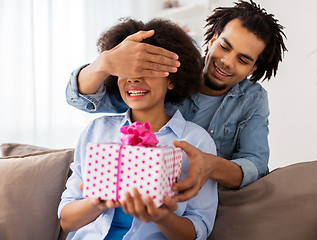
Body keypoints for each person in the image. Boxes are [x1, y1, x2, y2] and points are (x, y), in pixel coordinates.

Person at [65, 0, 287, 202]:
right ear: (212, 39)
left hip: (202, 202)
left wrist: (210, 166)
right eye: (225, 47)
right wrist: (104, 63)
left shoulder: (253, 99)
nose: (227, 62)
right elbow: (82, 98)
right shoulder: (167, 70)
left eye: (243, 59)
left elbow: (256, 164)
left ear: (253, 68)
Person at [58, 18, 218, 240]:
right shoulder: (97, 131)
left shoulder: (195, 142)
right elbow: (66, 220)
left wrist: (160, 216)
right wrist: (100, 200)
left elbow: (198, 228)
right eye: (125, 69)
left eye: (147, 69)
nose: (133, 78)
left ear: (172, 80)